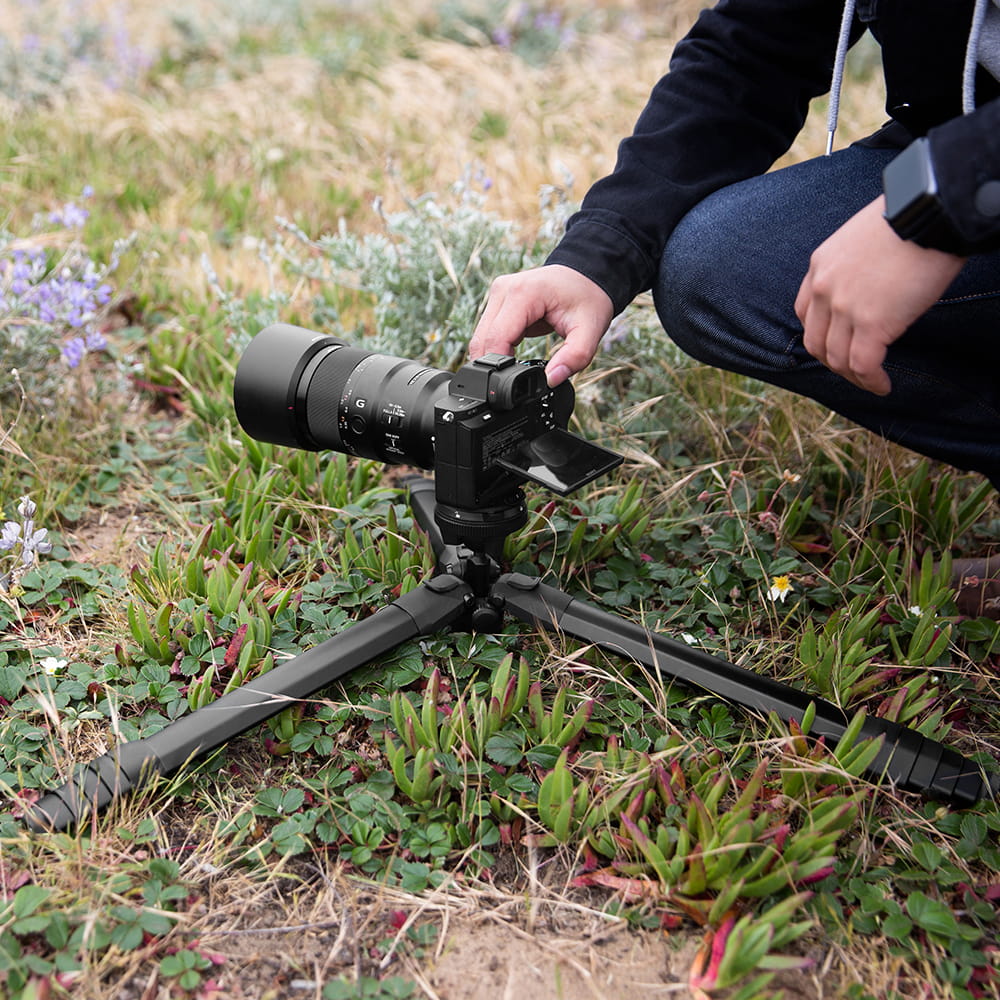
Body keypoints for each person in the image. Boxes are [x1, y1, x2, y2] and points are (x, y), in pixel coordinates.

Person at [468, 0, 1000, 490]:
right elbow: (754, 48)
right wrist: (596, 256)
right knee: (717, 267)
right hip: (956, 136)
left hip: (972, 161)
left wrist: (936, 204)